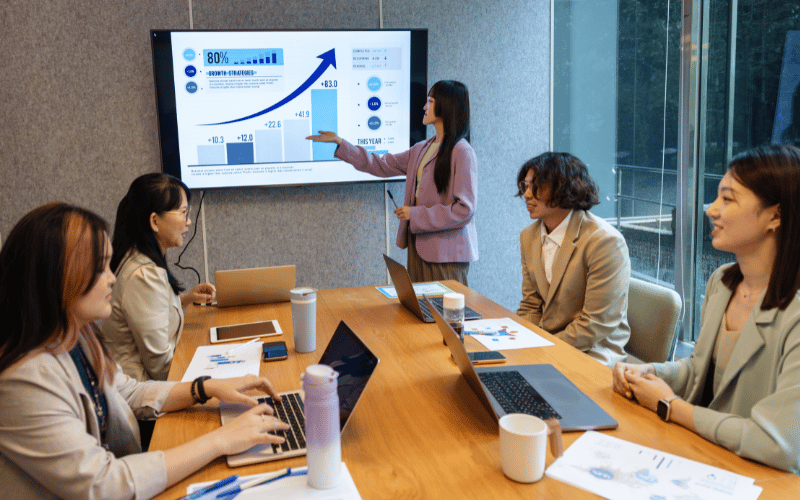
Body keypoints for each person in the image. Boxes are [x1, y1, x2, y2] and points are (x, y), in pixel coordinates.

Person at [0, 203, 290, 500]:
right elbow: (104, 485)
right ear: (57, 276)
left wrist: (205, 387)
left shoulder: (76, 336)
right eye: (99, 267)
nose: (111, 278)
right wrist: (220, 441)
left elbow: (125, 392)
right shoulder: (22, 381)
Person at [612, 144, 800, 472]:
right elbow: (701, 370)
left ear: (776, 215)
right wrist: (652, 374)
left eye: (727, 199)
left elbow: (778, 443)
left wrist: (670, 405)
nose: (710, 209)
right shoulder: (722, 282)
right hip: (708, 459)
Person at [307, 80, 478, 285]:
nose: (424, 107)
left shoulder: (462, 151)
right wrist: (341, 144)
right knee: (422, 314)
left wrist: (414, 214)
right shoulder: (421, 148)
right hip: (418, 248)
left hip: (446, 255)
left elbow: (464, 210)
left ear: (446, 106)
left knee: (445, 314)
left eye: (430, 101)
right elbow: (380, 164)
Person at [515, 152, 631, 366]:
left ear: (564, 188)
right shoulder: (528, 236)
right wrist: (520, 343)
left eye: (536, 186)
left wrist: (542, 349)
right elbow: (531, 305)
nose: (526, 195)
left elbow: (596, 323)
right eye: (525, 186)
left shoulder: (605, 242)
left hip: (593, 350)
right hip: (547, 343)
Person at [102, 173, 215, 382]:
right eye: (183, 212)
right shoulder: (143, 276)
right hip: (144, 398)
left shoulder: (138, 259)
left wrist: (184, 299)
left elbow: (150, 314)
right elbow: (162, 368)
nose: (189, 221)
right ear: (154, 221)